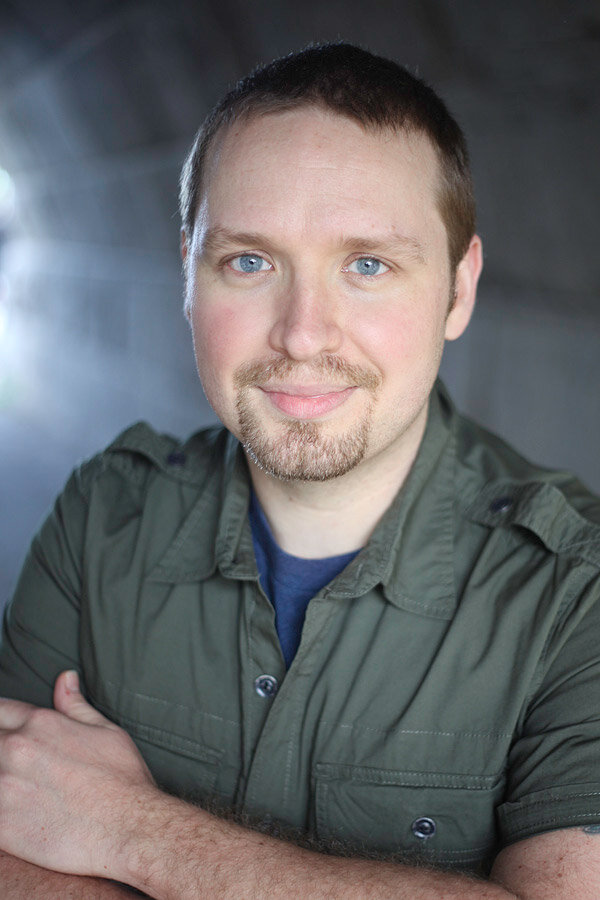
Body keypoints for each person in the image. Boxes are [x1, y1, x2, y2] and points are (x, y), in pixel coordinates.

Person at [0, 41, 599, 900]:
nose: (303, 333)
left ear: (459, 289)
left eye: (368, 265)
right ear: (187, 274)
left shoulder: (577, 590)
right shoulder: (103, 516)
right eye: (249, 261)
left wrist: (135, 832)